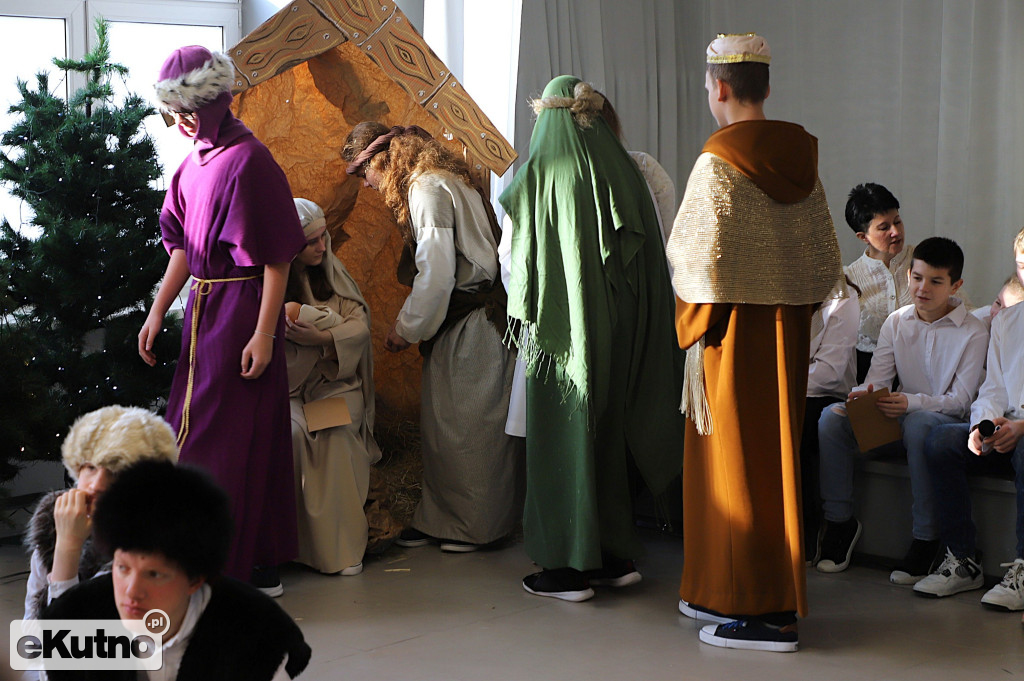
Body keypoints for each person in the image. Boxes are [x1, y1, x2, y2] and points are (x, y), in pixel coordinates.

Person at [667, 33, 842, 652]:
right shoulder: (803, 159)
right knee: (769, 465)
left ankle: (764, 612)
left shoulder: (718, 160)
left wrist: (690, 326)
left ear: (717, 87)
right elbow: (825, 260)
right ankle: (723, 588)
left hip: (730, 336)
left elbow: (690, 261)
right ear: (765, 88)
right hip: (784, 335)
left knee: (733, 469)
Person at [498, 76, 684, 602]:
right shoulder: (635, 172)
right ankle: (614, 557)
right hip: (627, 332)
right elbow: (658, 249)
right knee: (612, 438)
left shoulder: (537, 176)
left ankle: (565, 569)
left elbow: (514, 267)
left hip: (561, 338)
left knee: (564, 441)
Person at [137, 46, 306, 594]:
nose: (181, 124)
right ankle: (235, 558)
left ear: (215, 102)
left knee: (230, 441)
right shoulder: (191, 165)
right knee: (197, 435)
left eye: (189, 111)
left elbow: (278, 255)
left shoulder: (251, 160)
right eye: (173, 113)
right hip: (202, 317)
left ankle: (240, 563)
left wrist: (263, 332)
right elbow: (183, 247)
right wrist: (159, 309)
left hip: (241, 314)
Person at [341, 122, 522, 552]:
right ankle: (443, 520)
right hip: (462, 319)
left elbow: (437, 274)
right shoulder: (438, 180)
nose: (366, 187)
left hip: (473, 321)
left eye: (363, 175)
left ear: (379, 161)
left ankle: (476, 527)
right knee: (448, 425)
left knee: (470, 428)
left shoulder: (426, 191)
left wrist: (405, 328)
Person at [816, 237, 988, 585]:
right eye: (917, 277)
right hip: (900, 419)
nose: (922, 288)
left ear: (956, 285)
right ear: (909, 274)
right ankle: (839, 523)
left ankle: (926, 538)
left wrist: (912, 402)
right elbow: (877, 381)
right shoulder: (896, 321)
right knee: (830, 419)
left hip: (939, 424)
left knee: (920, 423)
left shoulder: (973, 331)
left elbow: (961, 401)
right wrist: (859, 400)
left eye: (936, 281)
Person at [42, 460, 311, 680]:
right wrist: (66, 547)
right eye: (123, 568)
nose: (131, 592)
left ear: (195, 580)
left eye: (154, 574)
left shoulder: (253, 634)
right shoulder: (83, 611)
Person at [914, 227, 1024, 615]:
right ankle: (961, 558)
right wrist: (983, 425)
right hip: (1006, 425)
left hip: (1023, 433)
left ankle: (1023, 568)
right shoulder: (1009, 322)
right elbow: (993, 386)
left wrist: (1021, 428)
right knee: (944, 440)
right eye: (1021, 265)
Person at [284, 198, 381, 576]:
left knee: (333, 435)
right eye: (312, 242)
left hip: (333, 391)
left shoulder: (334, 276)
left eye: (323, 238)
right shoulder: (274, 280)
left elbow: (358, 326)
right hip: (292, 394)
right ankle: (293, 549)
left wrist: (320, 339)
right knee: (290, 436)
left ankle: (339, 551)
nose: (322, 248)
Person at [23, 406, 178, 621]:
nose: (96, 485)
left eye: (115, 473)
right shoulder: (52, 526)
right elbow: (31, 632)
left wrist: (67, 548)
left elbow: (81, 646)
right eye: (90, 468)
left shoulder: (152, 548)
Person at [801, 277, 860, 561]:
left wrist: (776, 383)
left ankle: (806, 527)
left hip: (826, 394)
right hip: (785, 388)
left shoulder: (841, 296)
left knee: (796, 423)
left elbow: (830, 373)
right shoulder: (771, 281)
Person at [843, 183, 915, 383]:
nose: (896, 232)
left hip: (924, 376)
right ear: (863, 237)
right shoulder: (848, 280)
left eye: (898, 222)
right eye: (884, 227)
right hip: (868, 381)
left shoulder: (923, 261)